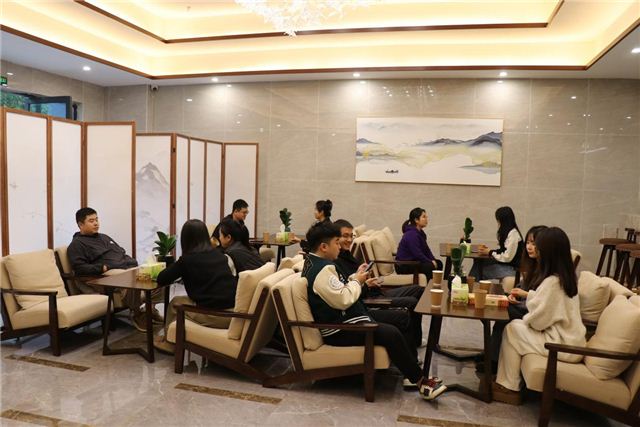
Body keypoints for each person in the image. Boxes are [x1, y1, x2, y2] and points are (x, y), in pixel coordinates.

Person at [302, 221, 446, 400]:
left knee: (400, 319)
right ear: (324, 247)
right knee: (390, 332)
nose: (339, 246)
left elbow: (338, 289)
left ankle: (412, 372)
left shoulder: (317, 263)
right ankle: (421, 382)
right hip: (339, 329)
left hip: (348, 317)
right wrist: (358, 281)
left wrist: (355, 277)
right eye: (336, 242)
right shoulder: (322, 270)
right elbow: (344, 299)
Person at [492, 227, 586, 404]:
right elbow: (547, 302)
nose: (536, 252)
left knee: (513, 329)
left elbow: (538, 322)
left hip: (562, 346)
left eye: (539, 248)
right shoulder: (565, 277)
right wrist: (529, 299)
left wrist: (527, 317)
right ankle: (507, 381)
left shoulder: (552, 282)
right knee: (515, 327)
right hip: (570, 340)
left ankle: (509, 387)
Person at [333, 219, 424, 347]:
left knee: (418, 289)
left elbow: (354, 278)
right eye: (345, 236)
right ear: (335, 239)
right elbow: (349, 291)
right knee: (411, 302)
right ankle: (412, 344)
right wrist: (366, 284)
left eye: (351, 236)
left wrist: (363, 274)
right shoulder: (335, 262)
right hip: (369, 298)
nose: (349, 240)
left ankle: (415, 339)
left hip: (375, 290)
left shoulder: (346, 254)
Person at [154, 219, 239, 354]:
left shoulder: (187, 260)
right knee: (181, 300)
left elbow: (162, 278)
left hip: (217, 316)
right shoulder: (219, 255)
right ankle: (174, 337)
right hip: (235, 313)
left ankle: (170, 343)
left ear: (186, 239)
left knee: (175, 303)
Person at [68, 207, 157, 331]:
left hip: (123, 268)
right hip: (103, 276)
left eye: (97, 219)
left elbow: (121, 252)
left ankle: (150, 309)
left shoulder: (104, 237)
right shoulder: (77, 244)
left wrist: (131, 262)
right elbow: (79, 268)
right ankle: (136, 313)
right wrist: (102, 267)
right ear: (80, 224)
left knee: (155, 275)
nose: (96, 223)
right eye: (91, 221)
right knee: (130, 277)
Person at [477, 225, 548, 375]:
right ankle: (491, 355)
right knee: (497, 303)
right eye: (528, 242)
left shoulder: (547, 270)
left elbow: (541, 300)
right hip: (524, 305)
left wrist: (522, 296)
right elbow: (523, 286)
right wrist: (514, 295)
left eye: (534, 243)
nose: (529, 247)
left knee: (500, 310)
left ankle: (492, 360)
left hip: (532, 313)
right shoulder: (534, 264)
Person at [471, 206, 523, 280]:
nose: (498, 222)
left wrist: (490, 252)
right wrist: (489, 251)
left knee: (479, 271)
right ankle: (470, 283)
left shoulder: (513, 235)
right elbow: (504, 251)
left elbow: (507, 257)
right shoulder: (509, 232)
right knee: (479, 262)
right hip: (508, 265)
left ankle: (470, 283)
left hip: (513, 269)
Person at [395, 208, 443, 281]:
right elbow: (417, 253)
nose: (426, 219)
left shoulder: (420, 233)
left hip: (414, 262)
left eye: (426, 217)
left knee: (438, 263)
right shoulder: (411, 234)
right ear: (416, 220)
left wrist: (433, 260)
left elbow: (427, 250)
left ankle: (435, 285)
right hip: (404, 265)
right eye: (424, 217)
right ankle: (427, 286)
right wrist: (430, 262)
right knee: (429, 266)